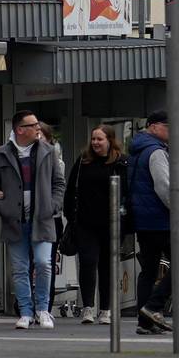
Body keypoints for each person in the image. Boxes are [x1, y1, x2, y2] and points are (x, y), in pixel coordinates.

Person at [0, 110, 66, 329]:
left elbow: (59, 183)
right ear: (20, 130)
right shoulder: (2, 154)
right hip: (14, 220)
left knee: (44, 263)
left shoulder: (48, 151)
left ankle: (43, 310)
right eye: (34, 125)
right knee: (20, 268)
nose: (38, 128)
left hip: (42, 218)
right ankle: (25, 312)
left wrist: (53, 205)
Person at [63, 127, 124, 324]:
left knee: (106, 266)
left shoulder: (120, 162)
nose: (95, 142)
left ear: (110, 141)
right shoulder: (83, 161)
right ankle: (88, 307)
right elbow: (71, 188)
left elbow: (127, 191)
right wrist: (70, 217)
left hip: (111, 224)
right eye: (93, 139)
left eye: (100, 139)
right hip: (85, 223)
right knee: (88, 262)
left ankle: (105, 309)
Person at [126, 112, 176, 334]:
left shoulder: (137, 150)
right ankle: (153, 307)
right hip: (160, 219)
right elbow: (164, 186)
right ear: (154, 127)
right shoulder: (155, 152)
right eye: (168, 126)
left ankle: (144, 322)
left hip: (142, 220)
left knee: (148, 270)